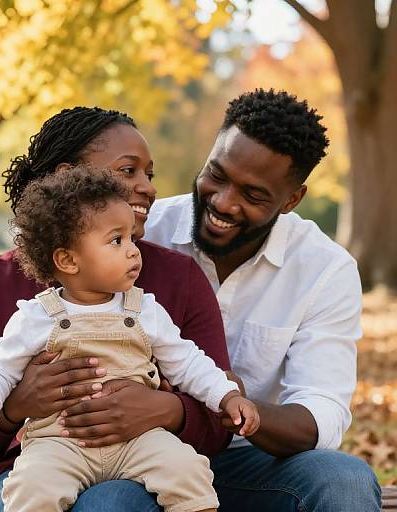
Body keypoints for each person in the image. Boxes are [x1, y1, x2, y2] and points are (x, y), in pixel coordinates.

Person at [0, 107, 235, 512]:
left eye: (149, 174)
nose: (147, 187)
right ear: (67, 179)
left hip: (143, 458)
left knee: (110, 505)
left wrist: (168, 410)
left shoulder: (176, 279)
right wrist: (13, 407)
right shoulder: (1, 284)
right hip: (38, 456)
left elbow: (214, 409)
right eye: (128, 171)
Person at [140, 89, 381, 511]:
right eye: (217, 174)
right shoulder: (141, 232)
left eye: (252, 195)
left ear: (291, 199)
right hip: (136, 459)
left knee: (343, 481)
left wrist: (233, 403)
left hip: (245, 465)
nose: (223, 202)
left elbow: (320, 412)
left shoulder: (325, 270)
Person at [0, 166, 259, 512]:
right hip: (60, 443)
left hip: (139, 439)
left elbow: (187, 361)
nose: (134, 251)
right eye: (117, 240)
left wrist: (226, 396)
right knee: (31, 486)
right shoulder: (37, 316)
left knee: (186, 470)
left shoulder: (144, 309)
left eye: (132, 238)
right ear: (68, 260)